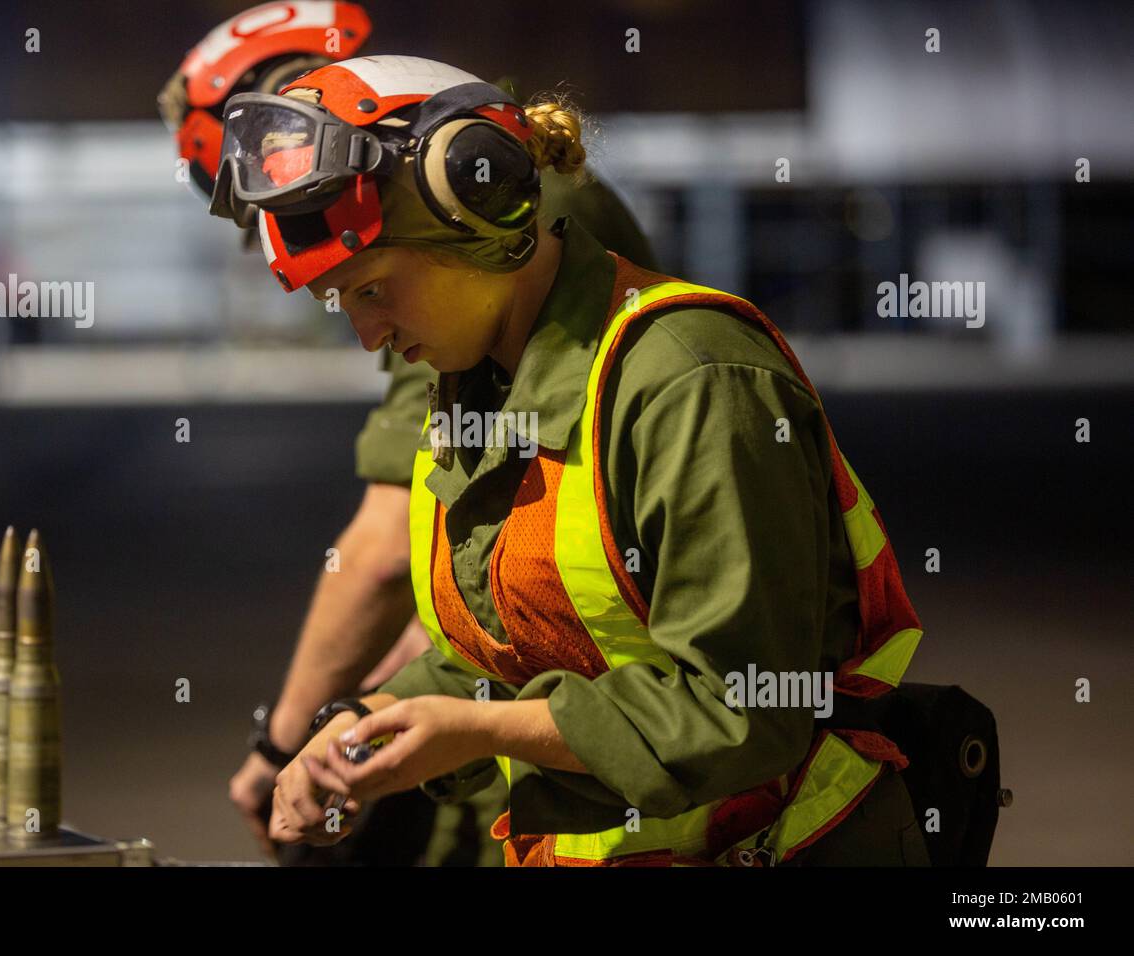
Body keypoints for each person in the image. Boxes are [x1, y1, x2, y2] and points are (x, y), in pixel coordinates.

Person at [211, 53, 931, 867]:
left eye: (373, 288)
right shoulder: (477, 384)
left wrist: (479, 730)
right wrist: (362, 723)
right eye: (341, 302)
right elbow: (514, 655)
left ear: (472, 212)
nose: (367, 335)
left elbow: (748, 707)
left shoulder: (692, 381)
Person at [160, 5, 659, 865]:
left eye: (367, 288)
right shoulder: (477, 210)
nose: (366, 328)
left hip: (613, 760)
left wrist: (284, 742)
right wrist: (376, 708)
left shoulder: (459, 237)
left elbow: (388, 547)